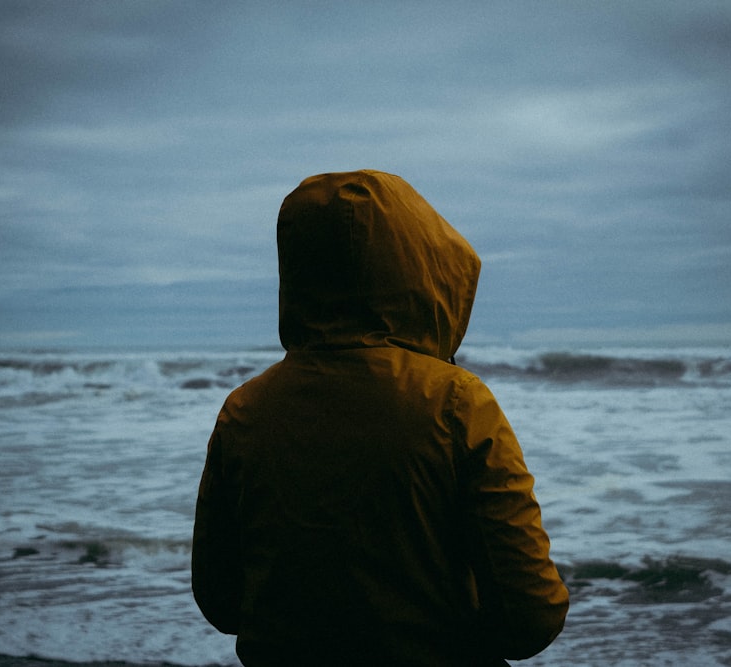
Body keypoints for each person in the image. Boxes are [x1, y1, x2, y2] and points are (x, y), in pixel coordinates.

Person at [192, 169, 569, 666]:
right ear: (425, 269)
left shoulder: (245, 409)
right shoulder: (455, 402)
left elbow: (221, 600)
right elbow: (531, 616)